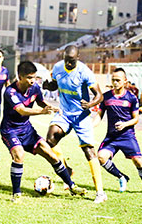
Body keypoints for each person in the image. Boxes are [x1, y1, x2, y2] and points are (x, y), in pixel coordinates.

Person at [0, 61, 87, 202]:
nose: (33, 81)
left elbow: (40, 102)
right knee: (19, 155)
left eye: (34, 77)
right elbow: (22, 110)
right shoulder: (10, 92)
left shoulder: (34, 88)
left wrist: (51, 107)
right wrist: (42, 111)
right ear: (20, 76)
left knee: (52, 155)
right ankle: (16, 194)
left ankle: (72, 186)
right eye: (29, 77)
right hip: (10, 131)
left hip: (27, 130)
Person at [43, 45, 106, 203]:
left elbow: (99, 95)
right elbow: (55, 84)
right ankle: (67, 170)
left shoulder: (85, 72)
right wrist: (47, 85)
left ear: (78, 58)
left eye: (71, 61)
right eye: (66, 60)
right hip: (64, 113)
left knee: (89, 151)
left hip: (81, 116)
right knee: (50, 139)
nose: (68, 64)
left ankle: (100, 192)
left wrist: (90, 104)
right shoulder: (58, 67)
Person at [93, 68, 142, 196]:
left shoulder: (132, 98)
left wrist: (125, 124)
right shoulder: (106, 96)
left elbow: (136, 119)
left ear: (125, 81)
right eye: (113, 80)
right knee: (101, 157)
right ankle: (121, 177)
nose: (115, 82)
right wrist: (91, 126)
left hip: (127, 136)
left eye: (118, 80)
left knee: (138, 161)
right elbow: (99, 115)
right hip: (111, 137)